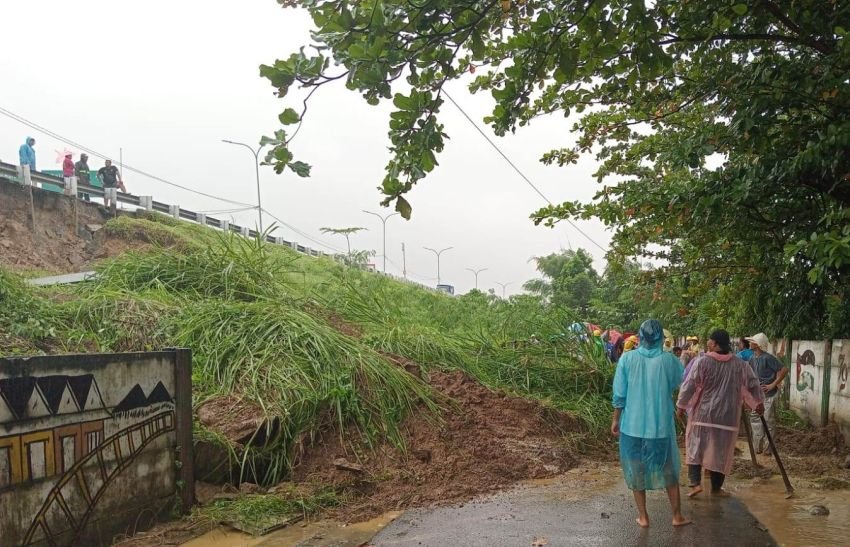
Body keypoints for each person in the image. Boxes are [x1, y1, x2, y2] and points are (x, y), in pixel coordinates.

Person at [612, 319, 691, 528]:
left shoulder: (627, 360)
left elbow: (620, 394)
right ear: (661, 338)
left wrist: (615, 419)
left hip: (632, 426)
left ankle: (644, 516)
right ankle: (676, 516)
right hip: (660, 426)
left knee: (635, 469)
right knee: (668, 469)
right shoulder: (669, 361)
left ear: (640, 336)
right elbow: (678, 383)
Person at [677, 329, 764, 497]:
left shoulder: (702, 362)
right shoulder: (740, 365)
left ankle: (695, 484)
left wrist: (681, 405)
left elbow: (690, 385)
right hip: (727, 417)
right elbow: (752, 384)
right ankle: (716, 489)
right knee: (721, 452)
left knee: (695, 447)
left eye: (710, 340)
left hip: (703, 415)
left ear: (715, 344)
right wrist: (758, 403)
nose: (708, 343)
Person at [745, 332, 788, 455]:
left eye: (752, 341)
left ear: (757, 345)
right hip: (757, 395)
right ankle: (757, 447)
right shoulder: (752, 358)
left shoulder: (768, 358)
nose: (750, 343)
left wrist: (773, 384)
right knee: (755, 420)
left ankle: (768, 449)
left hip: (768, 395)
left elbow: (784, 369)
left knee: (768, 421)